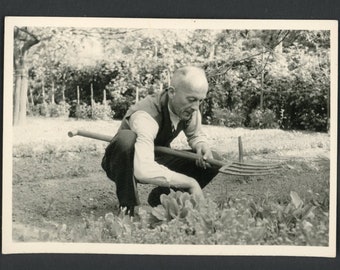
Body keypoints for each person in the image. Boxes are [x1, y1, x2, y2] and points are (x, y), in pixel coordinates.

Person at [101, 66, 220, 216]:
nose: (196, 107)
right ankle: (129, 206)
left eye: (200, 100)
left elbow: (195, 135)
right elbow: (143, 170)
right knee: (126, 139)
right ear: (172, 92)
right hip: (124, 162)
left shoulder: (188, 109)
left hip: (156, 155)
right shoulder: (146, 116)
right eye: (191, 100)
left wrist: (201, 145)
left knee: (213, 160)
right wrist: (190, 183)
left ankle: (163, 199)